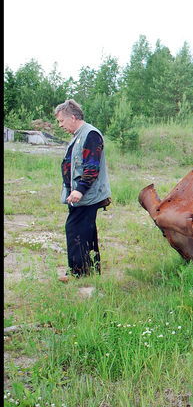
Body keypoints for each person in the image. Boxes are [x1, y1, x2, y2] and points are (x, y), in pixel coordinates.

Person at [54, 99, 111, 282]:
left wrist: (80, 190)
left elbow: (92, 167)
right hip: (80, 196)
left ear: (72, 117)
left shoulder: (91, 135)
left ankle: (78, 273)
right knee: (86, 231)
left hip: (86, 196)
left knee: (75, 230)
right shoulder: (79, 135)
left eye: (61, 121)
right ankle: (89, 271)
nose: (60, 125)